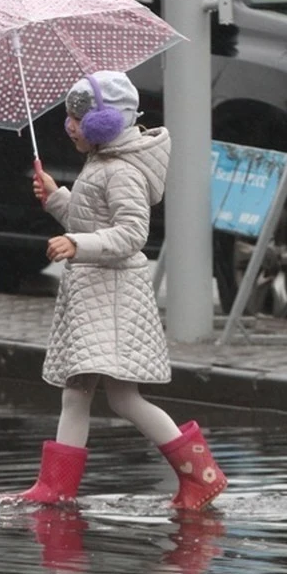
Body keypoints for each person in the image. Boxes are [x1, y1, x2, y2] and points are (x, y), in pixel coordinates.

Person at [14, 71, 227, 510]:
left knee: (115, 396)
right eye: (69, 116)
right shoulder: (102, 163)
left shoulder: (121, 170)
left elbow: (131, 234)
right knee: (89, 393)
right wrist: (57, 199)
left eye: (78, 117)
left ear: (105, 123)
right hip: (94, 292)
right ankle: (59, 487)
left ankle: (200, 477)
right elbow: (90, 220)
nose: (69, 126)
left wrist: (79, 245)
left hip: (111, 294)